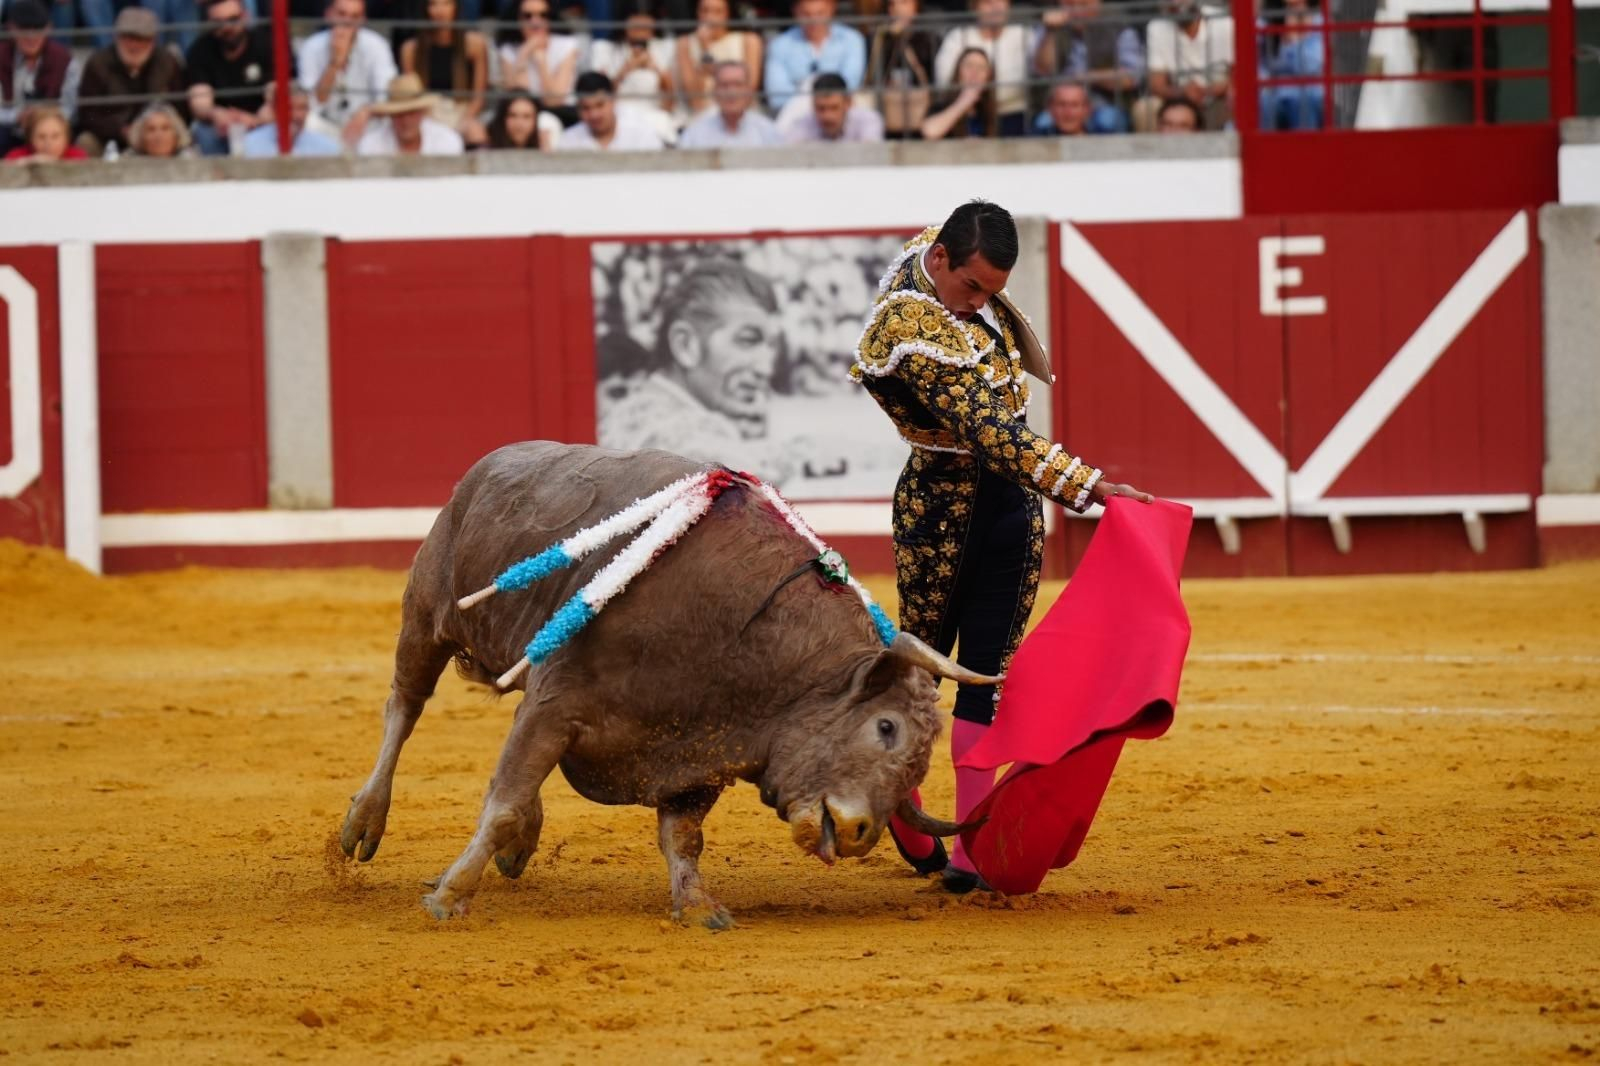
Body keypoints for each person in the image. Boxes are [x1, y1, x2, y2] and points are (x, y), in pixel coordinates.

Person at [850, 201, 1150, 892]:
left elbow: (1004, 446)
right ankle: (903, 804)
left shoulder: (942, 252)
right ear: (941, 262)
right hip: (941, 506)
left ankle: (969, 847)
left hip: (1011, 505)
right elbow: (993, 434)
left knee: (988, 673)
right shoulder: (909, 326)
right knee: (919, 671)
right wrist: (1090, 487)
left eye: (992, 291)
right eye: (972, 288)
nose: (981, 303)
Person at [598, 259, 784, 466]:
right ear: (685, 345)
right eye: (748, 340)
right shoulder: (686, 437)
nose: (765, 369)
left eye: (772, 346)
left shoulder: (630, 413)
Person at [75, 7, 187, 156]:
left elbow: (181, 109)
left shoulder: (167, 63)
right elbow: (87, 115)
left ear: (153, 41)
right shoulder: (98, 64)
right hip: (111, 138)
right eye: (128, 38)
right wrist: (119, 130)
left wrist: (156, 128)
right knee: (86, 141)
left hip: (155, 136)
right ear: (117, 38)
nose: (134, 45)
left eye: (141, 39)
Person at [185, 0, 284, 156]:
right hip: (220, 123)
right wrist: (216, 114)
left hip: (261, 118)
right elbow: (200, 101)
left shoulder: (266, 43)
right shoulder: (200, 50)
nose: (226, 27)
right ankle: (216, 178)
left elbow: (276, 94)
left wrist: (256, 120)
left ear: (245, 16)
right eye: (218, 22)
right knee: (204, 133)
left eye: (233, 19)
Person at [1031, 0, 1140, 133]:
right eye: (1069, 5)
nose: (1076, 10)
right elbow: (1042, 69)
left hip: (1104, 103)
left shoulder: (1119, 29)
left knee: (1108, 121)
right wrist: (1050, 32)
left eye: (1083, 4)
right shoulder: (1049, 28)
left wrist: (1085, 77)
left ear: (1097, 4)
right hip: (1059, 104)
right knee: (1043, 122)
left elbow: (1131, 78)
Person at [298, 0, 398, 133]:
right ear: (328, 15)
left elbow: (385, 96)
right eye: (341, 14)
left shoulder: (377, 46)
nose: (347, 22)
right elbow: (313, 103)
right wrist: (335, 63)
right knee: (307, 121)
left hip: (367, 124)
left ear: (363, 20)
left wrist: (366, 112)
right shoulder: (311, 47)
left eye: (354, 16)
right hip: (326, 123)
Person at [931, 0, 1028, 136]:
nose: (996, 7)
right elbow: (944, 80)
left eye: (1002, 2)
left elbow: (1040, 73)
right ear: (975, 8)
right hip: (966, 114)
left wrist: (978, 89)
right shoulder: (958, 36)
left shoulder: (1022, 34)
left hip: (1014, 115)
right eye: (988, 3)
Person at [399, 0, 489, 144]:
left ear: (456, 8)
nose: (440, 11)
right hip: (427, 112)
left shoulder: (475, 45)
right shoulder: (411, 50)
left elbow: (479, 97)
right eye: (433, 4)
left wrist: (463, 121)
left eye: (446, 4)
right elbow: (412, 97)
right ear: (425, 10)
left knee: (475, 131)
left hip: (462, 109)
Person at [1136, 0, 1232, 132]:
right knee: (1145, 108)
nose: (1176, 2)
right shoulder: (1156, 27)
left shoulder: (1224, 22)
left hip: (1218, 96)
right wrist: (1183, 92)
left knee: (1237, 98)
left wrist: (1208, 91)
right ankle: (1153, 153)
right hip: (1177, 98)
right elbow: (1156, 84)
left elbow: (1240, 77)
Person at [585, 4, 676, 142]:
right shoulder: (604, 49)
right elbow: (598, 98)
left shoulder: (665, 47)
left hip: (655, 117)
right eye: (636, 26)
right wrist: (626, 69)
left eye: (646, 27)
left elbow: (670, 104)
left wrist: (656, 70)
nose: (641, 31)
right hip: (617, 118)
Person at [0, 0, 80, 156]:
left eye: (37, 30)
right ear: (11, 28)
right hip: (10, 129)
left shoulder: (65, 60)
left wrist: (44, 117)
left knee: (59, 135)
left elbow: (70, 108)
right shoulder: (1, 57)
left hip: (51, 129)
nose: (31, 37)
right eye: (24, 30)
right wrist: (17, 116)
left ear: (48, 28)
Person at [763, 0, 865, 112]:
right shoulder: (779, 44)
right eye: (806, 14)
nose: (813, 20)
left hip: (840, 113)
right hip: (795, 116)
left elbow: (850, 85)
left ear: (832, 9)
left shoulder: (852, 39)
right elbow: (777, 97)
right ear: (795, 12)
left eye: (820, 13)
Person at [674, 0, 761, 117]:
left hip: (741, 116)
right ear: (697, 13)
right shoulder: (685, 43)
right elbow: (694, 101)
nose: (710, 17)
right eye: (705, 11)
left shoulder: (749, 41)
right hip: (699, 117)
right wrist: (704, 49)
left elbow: (749, 91)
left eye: (717, 11)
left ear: (727, 14)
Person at [864, 0, 936, 140]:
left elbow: (930, 77)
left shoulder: (928, 39)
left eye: (904, 3)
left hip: (918, 108)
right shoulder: (879, 38)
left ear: (916, 8)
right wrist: (889, 38)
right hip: (886, 108)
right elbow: (873, 74)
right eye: (892, 4)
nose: (896, 9)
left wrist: (903, 38)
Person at [496, 0, 579, 112]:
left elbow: (554, 101)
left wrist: (541, 62)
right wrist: (524, 53)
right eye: (527, 16)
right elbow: (518, 100)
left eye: (543, 15)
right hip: (525, 117)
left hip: (562, 113)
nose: (535, 22)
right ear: (517, 19)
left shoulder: (567, 45)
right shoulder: (508, 50)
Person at [677, 60, 779, 148]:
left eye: (738, 85)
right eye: (724, 85)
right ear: (714, 91)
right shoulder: (695, 133)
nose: (731, 92)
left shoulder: (767, 131)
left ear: (749, 91)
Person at [355, 72, 465, 153]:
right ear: (390, 116)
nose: (406, 121)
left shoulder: (446, 140)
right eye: (399, 114)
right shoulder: (371, 145)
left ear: (422, 112)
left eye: (412, 113)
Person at [556, 70, 664, 150]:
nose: (594, 115)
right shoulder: (568, 142)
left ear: (613, 101)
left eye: (600, 105)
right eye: (586, 108)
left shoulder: (641, 132)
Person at [1259, 0, 1323, 130]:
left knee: (1304, 101)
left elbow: (1309, 67)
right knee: (1262, 102)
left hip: (1308, 91)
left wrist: (1294, 38)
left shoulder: (1318, 22)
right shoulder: (1271, 19)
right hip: (1276, 91)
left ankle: (1306, 148)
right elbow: (1265, 64)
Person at [918, 45, 995, 141]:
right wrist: (964, 102)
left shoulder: (988, 112)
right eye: (969, 66)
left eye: (981, 67)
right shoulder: (942, 105)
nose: (974, 72)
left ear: (988, 78)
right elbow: (929, 131)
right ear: (958, 73)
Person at [782, 70, 881, 143]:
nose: (827, 116)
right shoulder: (801, 125)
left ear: (848, 103)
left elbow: (869, 158)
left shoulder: (868, 121)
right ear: (812, 104)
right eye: (821, 108)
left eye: (834, 108)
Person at [242, 85, 343, 154]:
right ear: (274, 109)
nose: (296, 116)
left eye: (302, 108)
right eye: (289, 108)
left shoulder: (327, 148)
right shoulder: (249, 145)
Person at [3, 104, 87, 161]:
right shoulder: (15, 157)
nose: (48, 143)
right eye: (41, 137)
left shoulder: (78, 158)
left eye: (55, 136)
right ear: (31, 138)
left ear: (66, 137)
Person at [483, 88, 561, 148]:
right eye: (512, 115)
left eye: (526, 116)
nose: (519, 123)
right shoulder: (486, 149)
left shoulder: (547, 147)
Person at [125, 101, 198, 156]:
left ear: (177, 134)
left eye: (165, 128)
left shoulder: (192, 160)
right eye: (151, 129)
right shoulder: (126, 162)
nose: (158, 136)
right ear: (140, 136)